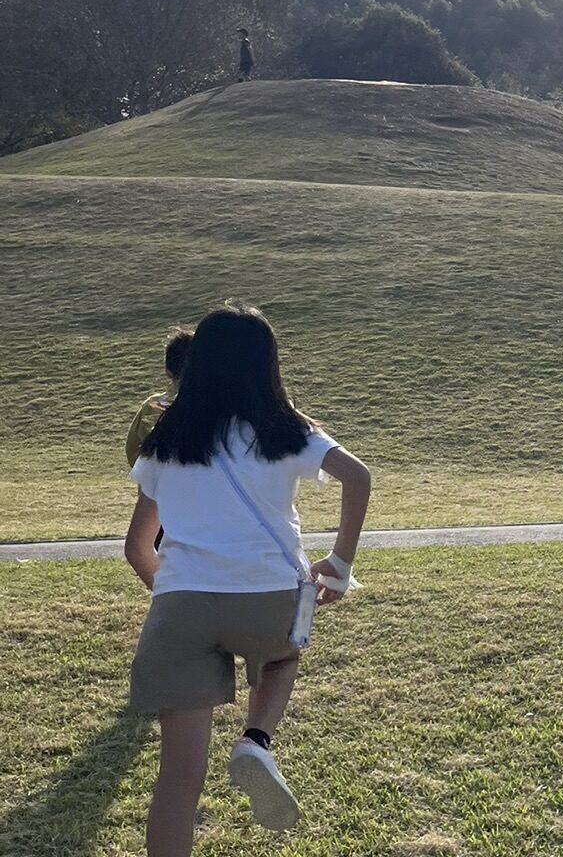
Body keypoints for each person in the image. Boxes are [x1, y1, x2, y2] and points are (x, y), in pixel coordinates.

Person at [124, 303, 372, 857]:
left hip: (182, 607)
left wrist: (178, 597)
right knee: (283, 655)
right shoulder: (286, 432)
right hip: (269, 598)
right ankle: (257, 740)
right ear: (268, 365)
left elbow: (138, 548)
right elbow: (358, 477)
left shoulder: (165, 441)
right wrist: (340, 564)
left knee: (176, 783)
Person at [126, 328, 194, 468]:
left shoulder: (151, 407)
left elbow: (132, 450)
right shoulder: (216, 408)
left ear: (168, 372)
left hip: (157, 483)